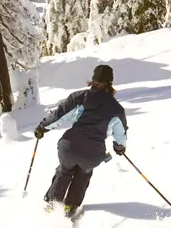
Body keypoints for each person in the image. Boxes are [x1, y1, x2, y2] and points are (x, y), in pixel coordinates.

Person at [33, 64, 128, 218]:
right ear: (111, 82)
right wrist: (119, 147)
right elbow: (120, 134)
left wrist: (43, 127)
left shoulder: (79, 98)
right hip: (93, 154)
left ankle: (52, 204)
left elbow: (59, 115)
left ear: (93, 79)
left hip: (69, 147)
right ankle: (70, 206)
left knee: (64, 171)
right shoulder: (117, 109)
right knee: (83, 174)